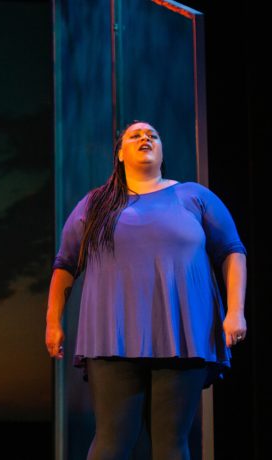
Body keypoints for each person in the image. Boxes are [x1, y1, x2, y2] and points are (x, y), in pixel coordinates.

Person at [45, 121, 247, 459]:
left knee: (171, 442)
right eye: (135, 135)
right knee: (112, 439)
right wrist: (53, 322)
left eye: (153, 134)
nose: (145, 138)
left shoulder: (193, 196)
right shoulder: (96, 204)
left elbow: (232, 251)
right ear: (120, 154)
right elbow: (65, 265)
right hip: (112, 335)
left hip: (181, 333)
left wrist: (235, 311)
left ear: (162, 151)